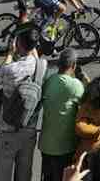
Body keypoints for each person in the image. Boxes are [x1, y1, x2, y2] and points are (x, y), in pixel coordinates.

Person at [0, 28, 49, 181]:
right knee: (24, 175)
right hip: (29, 129)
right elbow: (35, 57)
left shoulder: (10, 69)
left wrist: (10, 53)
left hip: (8, 129)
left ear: (18, 44)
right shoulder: (42, 66)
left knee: (3, 175)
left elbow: (0, 77)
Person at [38, 48, 87, 181]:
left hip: (46, 145)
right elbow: (87, 104)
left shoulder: (49, 81)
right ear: (74, 65)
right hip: (65, 146)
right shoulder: (75, 85)